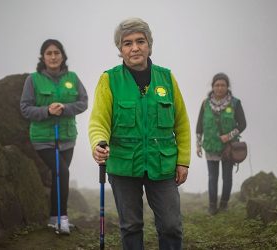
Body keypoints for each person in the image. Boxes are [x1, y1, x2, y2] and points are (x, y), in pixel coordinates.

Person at [88, 18, 191, 249]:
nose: (134, 48)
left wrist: (183, 160)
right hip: (124, 165)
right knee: (131, 227)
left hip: (162, 164)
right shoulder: (109, 79)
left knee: (171, 226)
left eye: (140, 41)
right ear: (120, 49)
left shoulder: (167, 78)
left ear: (149, 45)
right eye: (127, 43)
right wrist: (98, 143)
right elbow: (98, 120)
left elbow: (181, 123)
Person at [20, 39, 88, 234]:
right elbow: (25, 108)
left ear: (62, 56)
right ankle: (63, 219)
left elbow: (83, 102)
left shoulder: (73, 78)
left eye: (56, 52)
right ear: (43, 57)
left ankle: (53, 218)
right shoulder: (32, 80)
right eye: (49, 53)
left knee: (59, 176)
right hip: (43, 139)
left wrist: (66, 108)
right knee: (63, 173)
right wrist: (47, 111)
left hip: (67, 137)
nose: (53, 56)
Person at [196, 73, 246, 215]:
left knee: (227, 177)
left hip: (228, 148)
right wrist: (198, 145)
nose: (219, 88)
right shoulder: (205, 104)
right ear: (212, 87)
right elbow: (199, 125)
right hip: (210, 146)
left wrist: (229, 136)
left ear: (227, 86)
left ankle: (224, 205)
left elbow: (242, 124)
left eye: (222, 85)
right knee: (212, 177)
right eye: (217, 85)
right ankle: (212, 207)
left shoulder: (235, 103)